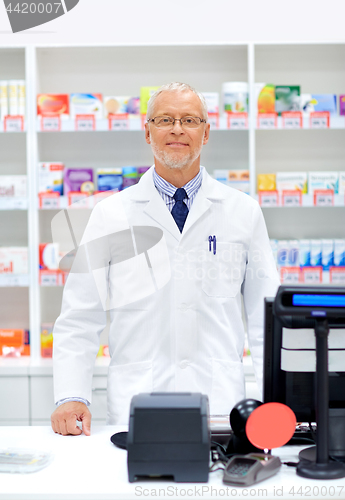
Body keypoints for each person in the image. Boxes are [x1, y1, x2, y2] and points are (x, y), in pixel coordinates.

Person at [51, 82, 280, 436]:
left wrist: (278, 402)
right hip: (137, 402)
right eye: (164, 119)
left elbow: (266, 319)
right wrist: (70, 395)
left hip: (219, 404)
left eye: (189, 119)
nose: (177, 129)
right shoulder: (109, 214)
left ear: (206, 133)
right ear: (147, 132)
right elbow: (80, 316)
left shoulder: (243, 212)